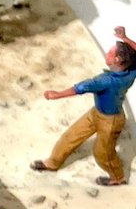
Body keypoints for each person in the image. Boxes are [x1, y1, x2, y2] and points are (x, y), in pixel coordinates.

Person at [32, 28, 136, 186]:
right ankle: (52, 163)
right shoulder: (131, 70)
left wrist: (58, 94)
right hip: (96, 113)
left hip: (111, 121)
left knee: (103, 153)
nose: (107, 53)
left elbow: (82, 87)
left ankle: (117, 177)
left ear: (118, 60)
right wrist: (125, 38)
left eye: (110, 53)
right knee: (70, 136)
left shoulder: (106, 81)